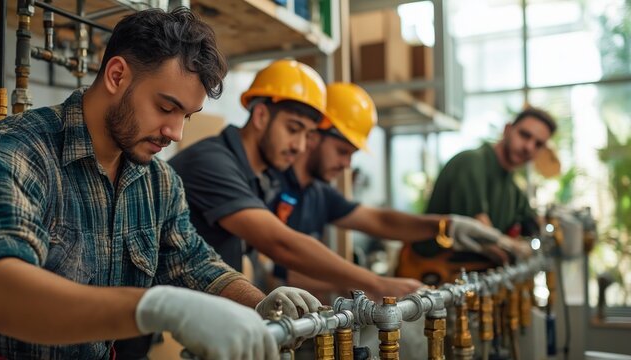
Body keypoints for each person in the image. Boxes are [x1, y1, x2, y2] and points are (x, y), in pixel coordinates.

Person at [0, 9, 318, 360]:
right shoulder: (8, 153)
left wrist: (261, 303)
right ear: (116, 75)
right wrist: (156, 309)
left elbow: (193, 263)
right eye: (167, 108)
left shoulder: (158, 181)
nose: (177, 132)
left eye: (187, 115)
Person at [169, 60, 424, 301]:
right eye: (293, 129)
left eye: (307, 134)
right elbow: (281, 244)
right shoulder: (212, 163)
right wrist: (376, 284)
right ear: (260, 116)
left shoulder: (260, 179)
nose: (300, 146)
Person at [266, 82, 518, 294]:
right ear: (313, 135)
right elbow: (273, 271)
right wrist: (369, 285)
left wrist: (446, 225)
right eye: (342, 152)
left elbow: (381, 221)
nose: (346, 164)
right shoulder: (270, 185)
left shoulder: (317, 193)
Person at [402, 107, 556, 280]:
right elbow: (482, 232)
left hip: (469, 282)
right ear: (507, 130)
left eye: (538, 144)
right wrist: (515, 247)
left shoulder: (512, 188)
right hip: (432, 278)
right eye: (525, 135)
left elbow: (535, 225)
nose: (529, 147)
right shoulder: (472, 162)